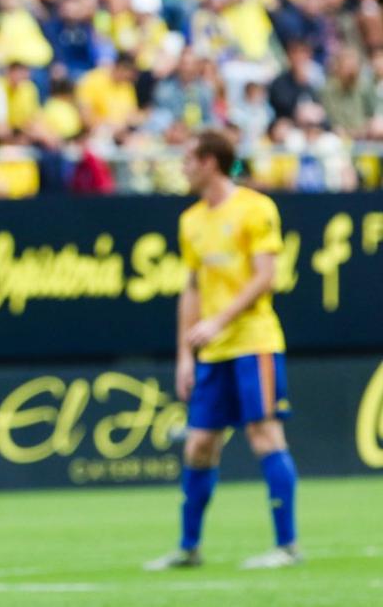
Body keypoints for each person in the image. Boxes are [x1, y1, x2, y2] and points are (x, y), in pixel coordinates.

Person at [146, 130, 301, 572]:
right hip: (212, 353)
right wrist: (183, 354)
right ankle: (188, 547)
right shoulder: (191, 220)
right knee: (198, 446)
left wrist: (218, 321)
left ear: (211, 162)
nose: (183, 168)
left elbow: (264, 277)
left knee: (264, 435)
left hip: (255, 341)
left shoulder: (256, 208)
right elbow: (191, 288)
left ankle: (286, 544)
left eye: (189, 159)